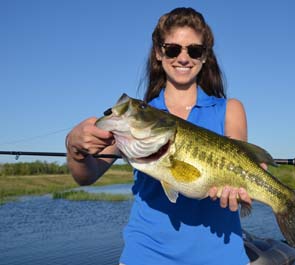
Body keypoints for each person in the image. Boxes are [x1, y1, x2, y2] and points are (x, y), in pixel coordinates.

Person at [66, 7, 254, 265]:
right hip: (146, 255)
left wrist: (239, 185)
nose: (183, 58)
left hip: (221, 255)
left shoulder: (230, 109)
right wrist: (74, 147)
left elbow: (240, 163)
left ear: (204, 56)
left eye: (194, 50)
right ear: (158, 52)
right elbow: (86, 175)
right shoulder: (140, 117)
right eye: (173, 49)